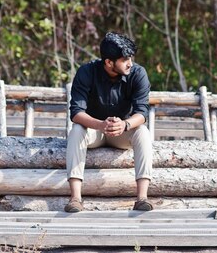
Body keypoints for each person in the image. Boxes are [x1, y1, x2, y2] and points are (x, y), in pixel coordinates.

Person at [64, 32, 153, 213]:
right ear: (109, 62)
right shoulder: (86, 72)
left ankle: (142, 198)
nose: (130, 63)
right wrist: (100, 125)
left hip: (123, 132)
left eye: (131, 58)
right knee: (76, 130)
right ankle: (75, 198)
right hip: (94, 131)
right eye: (125, 59)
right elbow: (76, 112)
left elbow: (142, 112)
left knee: (143, 131)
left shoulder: (138, 73)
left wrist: (125, 124)